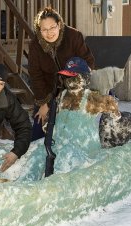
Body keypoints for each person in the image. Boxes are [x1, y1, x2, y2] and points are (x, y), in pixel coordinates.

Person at [28, 6, 95, 141]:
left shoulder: (73, 36)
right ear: (39, 30)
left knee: (71, 132)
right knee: (38, 129)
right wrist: (43, 103)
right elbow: (35, 75)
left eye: (52, 27)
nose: (49, 33)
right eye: (44, 29)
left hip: (74, 88)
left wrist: (76, 90)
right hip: (48, 91)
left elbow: (88, 62)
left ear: (59, 25)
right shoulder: (35, 45)